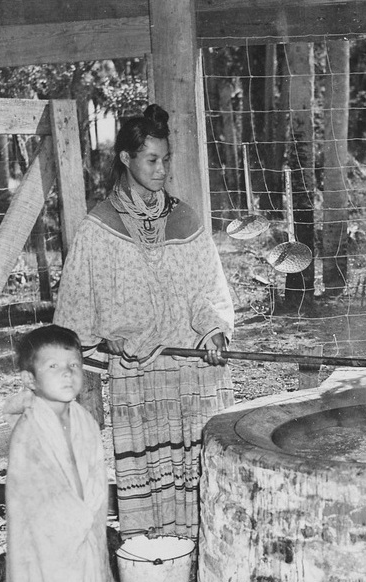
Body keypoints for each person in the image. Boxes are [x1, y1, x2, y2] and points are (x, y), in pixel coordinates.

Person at [55, 103, 236, 539]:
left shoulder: (187, 219)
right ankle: (153, 552)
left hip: (188, 367)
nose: (161, 170)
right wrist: (105, 338)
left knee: (198, 459)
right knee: (149, 464)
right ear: (126, 159)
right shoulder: (98, 229)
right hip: (139, 374)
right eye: (151, 160)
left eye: (166, 159)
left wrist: (211, 329)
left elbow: (207, 287)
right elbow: (79, 304)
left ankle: (200, 547)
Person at [4, 325, 153, 582]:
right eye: (53, 366)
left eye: (74, 364)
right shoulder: (28, 434)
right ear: (30, 380)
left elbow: (92, 482)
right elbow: (35, 501)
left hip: (82, 541)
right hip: (47, 552)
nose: (68, 374)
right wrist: (78, 521)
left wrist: (90, 524)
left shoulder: (83, 420)